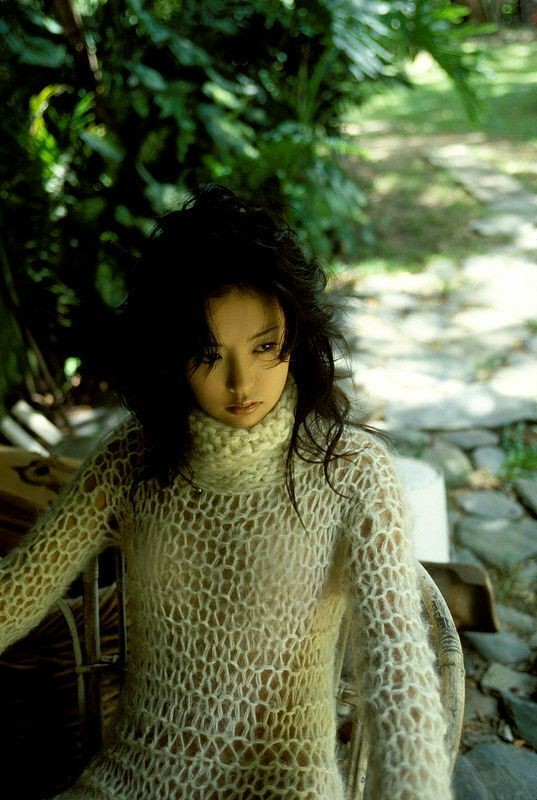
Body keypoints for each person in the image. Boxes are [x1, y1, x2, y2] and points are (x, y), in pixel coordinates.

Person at [0, 184, 453, 799]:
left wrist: (415, 788)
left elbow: (398, 663)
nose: (243, 382)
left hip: (287, 783)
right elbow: (17, 591)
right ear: (170, 357)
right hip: (134, 776)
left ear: (297, 336)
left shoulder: (351, 471)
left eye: (266, 347)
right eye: (207, 355)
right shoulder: (133, 458)